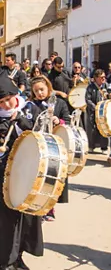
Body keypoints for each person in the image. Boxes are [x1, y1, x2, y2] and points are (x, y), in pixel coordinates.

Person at [0, 75, 35, 270]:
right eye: (1, 102)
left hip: (22, 173)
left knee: (20, 218)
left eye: (9, 99)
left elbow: (37, 134)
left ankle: (14, 258)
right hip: (1, 173)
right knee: (5, 219)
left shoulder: (27, 111)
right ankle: (6, 262)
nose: (5, 104)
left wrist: (19, 119)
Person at [24, 75, 71, 222]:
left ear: (48, 88)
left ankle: (49, 208)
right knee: (37, 177)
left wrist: (59, 121)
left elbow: (68, 122)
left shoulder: (60, 103)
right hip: (37, 145)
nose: (39, 93)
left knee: (51, 176)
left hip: (54, 146)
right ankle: (36, 207)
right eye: (36, 91)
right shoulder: (30, 105)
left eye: (42, 90)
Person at [85, 69, 111, 153]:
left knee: (104, 128)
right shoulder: (91, 87)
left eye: (104, 77)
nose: (103, 79)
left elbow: (110, 97)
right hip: (93, 112)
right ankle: (91, 146)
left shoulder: (106, 86)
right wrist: (95, 107)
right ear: (96, 78)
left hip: (103, 112)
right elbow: (88, 99)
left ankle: (104, 147)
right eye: (101, 77)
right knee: (92, 130)